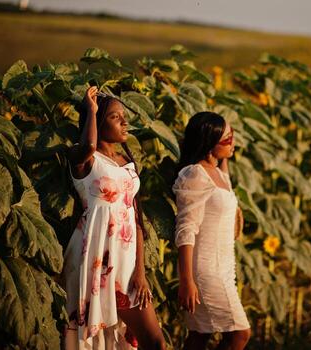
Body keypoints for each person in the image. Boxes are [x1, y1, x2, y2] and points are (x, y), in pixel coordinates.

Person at [63, 86, 166, 350]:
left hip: (126, 262)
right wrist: (91, 109)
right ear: (96, 122)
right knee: (102, 338)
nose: (124, 121)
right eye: (114, 116)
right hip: (94, 257)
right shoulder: (84, 159)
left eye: (124, 116)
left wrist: (140, 272)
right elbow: (88, 144)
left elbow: (136, 221)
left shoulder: (126, 161)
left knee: (154, 341)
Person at [173, 112, 251, 350]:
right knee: (240, 333)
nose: (233, 143)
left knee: (200, 335)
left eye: (232, 136)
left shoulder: (217, 172)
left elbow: (224, 187)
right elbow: (186, 228)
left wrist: (225, 145)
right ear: (208, 143)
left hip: (224, 266)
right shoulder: (195, 174)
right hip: (205, 270)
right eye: (227, 140)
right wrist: (186, 280)